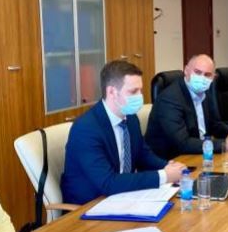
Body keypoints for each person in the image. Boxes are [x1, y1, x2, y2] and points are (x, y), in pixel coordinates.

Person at [61, 61, 185, 205]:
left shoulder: (130, 118)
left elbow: (143, 155)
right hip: (90, 204)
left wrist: (168, 166)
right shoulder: (86, 129)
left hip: (121, 196)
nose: (140, 96)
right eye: (133, 91)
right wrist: (163, 176)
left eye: (140, 90)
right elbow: (108, 182)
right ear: (112, 92)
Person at [146, 54, 228, 160]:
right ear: (186, 70)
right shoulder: (170, 99)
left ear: (213, 77)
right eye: (197, 72)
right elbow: (182, 143)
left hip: (197, 153)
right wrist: (225, 144)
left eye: (207, 75)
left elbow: (214, 125)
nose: (202, 78)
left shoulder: (204, 92)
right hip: (171, 160)